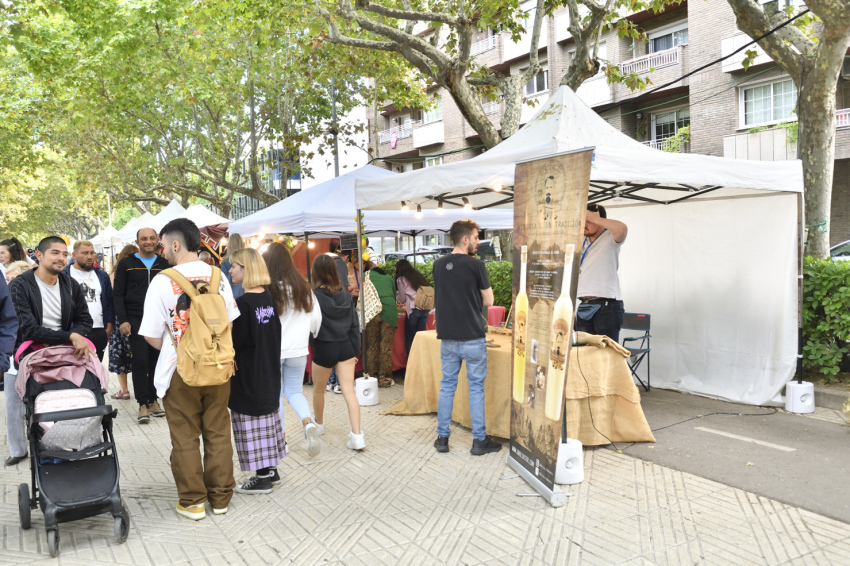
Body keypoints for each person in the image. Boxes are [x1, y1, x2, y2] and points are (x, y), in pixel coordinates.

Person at [138, 218, 240, 521]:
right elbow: (230, 322)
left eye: (163, 244)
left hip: (180, 372)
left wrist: (180, 349)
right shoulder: (219, 276)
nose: (162, 250)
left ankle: (193, 501)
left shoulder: (162, 280)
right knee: (219, 432)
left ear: (176, 244)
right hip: (219, 367)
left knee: (185, 437)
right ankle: (221, 499)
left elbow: (151, 335)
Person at [7, 236, 95, 466]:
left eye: (65, 254)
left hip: (66, 354)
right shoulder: (20, 285)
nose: (61, 258)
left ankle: (78, 446)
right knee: (40, 405)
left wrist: (74, 337)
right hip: (32, 352)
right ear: (39, 255)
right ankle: (47, 457)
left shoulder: (70, 285)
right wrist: (70, 336)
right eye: (55, 253)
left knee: (79, 397)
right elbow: (28, 329)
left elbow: (85, 320)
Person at [432, 221, 501, 456]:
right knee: (476, 389)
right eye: (475, 237)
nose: (478, 241)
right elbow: (489, 301)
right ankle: (479, 441)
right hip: (472, 336)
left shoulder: (438, 265)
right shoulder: (476, 265)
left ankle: (442, 439)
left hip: (448, 337)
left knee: (447, 387)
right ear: (465, 240)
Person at [223, 248, 285, 493]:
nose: (230, 270)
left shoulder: (244, 303)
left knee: (250, 422)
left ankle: (261, 477)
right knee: (268, 418)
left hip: (249, 373)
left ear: (246, 269)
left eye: (234, 266)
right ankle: (270, 467)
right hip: (268, 368)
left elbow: (235, 341)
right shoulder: (266, 298)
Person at [263, 243, 323, 458]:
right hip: (299, 349)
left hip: (273, 351)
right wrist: (311, 333)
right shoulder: (303, 286)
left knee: (276, 394)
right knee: (295, 392)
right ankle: (308, 423)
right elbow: (316, 319)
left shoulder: (267, 288)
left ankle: (282, 439)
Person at [113, 227, 170, 424]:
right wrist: (123, 320)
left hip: (159, 319)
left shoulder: (165, 264)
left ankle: (154, 400)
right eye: (144, 239)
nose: (148, 242)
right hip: (135, 319)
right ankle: (142, 403)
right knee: (140, 361)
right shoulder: (126, 264)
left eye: (152, 238)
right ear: (137, 241)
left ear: (158, 241)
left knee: (156, 360)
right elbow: (118, 293)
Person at [310, 254, 364, 451]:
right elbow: (354, 324)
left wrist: (312, 342)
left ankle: (319, 425)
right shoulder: (346, 294)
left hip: (324, 346)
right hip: (345, 346)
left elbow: (311, 325)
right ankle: (357, 436)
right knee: (349, 391)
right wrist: (355, 349)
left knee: (318, 390)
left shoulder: (313, 295)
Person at [575, 204, 628, 342]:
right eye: (582, 220)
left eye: (588, 220)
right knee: (583, 354)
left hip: (606, 305)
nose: (584, 224)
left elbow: (622, 228)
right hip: (584, 304)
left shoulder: (610, 237)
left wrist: (597, 219)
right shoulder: (582, 241)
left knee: (607, 354)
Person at [63, 240, 114, 362]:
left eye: (92, 253)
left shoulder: (102, 275)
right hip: (74, 331)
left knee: (96, 370)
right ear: (73, 255)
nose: (90, 256)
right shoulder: (64, 275)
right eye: (85, 253)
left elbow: (109, 304)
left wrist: (107, 330)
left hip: (98, 330)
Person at [108, 245, 138, 400]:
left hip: (119, 319)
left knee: (120, 356)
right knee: (139, 355)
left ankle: (124, 390)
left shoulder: (114, 274)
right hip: (134, 318)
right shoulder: (138, 274)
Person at [363, 262, 398, 387]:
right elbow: (394, 296)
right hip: (390, 312)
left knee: (372, 345)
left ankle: (372, 377)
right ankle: (385, 379)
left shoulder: (364, 276)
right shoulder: (388, 277)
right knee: (386, 346)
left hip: (372, 312)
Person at [1, 274, 20, 466]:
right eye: (9, 278)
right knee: (12, 410)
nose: (11, 282)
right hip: (11, 367)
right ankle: (17, 449)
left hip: (31, 363)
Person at [395, 259, 431, 355]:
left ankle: (411, 366)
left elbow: (402, 299)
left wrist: (395, 295)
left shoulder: (401, 279)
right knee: (420, 337)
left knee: (409, 338)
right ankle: (421, 362)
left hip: (413, 310)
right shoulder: (417, 276)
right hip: (424, 309)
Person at [221, 233, 245, 299]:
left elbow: (223, 283)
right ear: (242, 244)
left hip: (231, 298)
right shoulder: (246, 260)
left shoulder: (225, 262)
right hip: (245, 295)